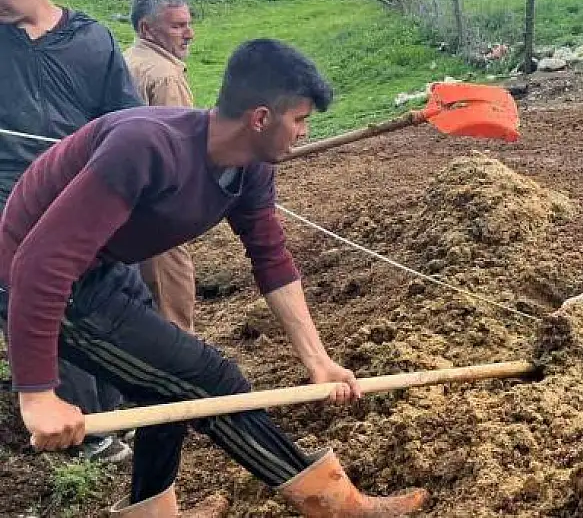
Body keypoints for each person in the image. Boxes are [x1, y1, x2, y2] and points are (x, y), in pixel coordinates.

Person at [0, 38, 430, 517]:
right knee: (211, 381)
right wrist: (37, 395)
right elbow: (38, 263)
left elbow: (271, 259)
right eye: (300, 120)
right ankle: (336, 507)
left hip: (100, 270)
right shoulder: (146, 145)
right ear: (261, 118)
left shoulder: (250, 170)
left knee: (166, 390)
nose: (304, 133)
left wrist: (319, 360)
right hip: (34, 280)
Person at [0, 0, 140, 463]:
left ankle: (122, 407)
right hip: (9, 202)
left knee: (110, 292)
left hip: (83, 197)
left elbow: (125, 121)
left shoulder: (91, 39)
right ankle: (83, 433)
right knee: (39, 306)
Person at [123, 0, 198, 332]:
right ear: (146, 28)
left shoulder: (126, 61)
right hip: (158, 206)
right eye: (178, 26)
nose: (189, 33)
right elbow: (180, 148)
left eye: (189, 24)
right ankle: (181, 378)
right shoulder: (165, 76)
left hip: (123, 203)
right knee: (171, 302)